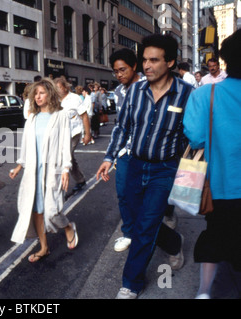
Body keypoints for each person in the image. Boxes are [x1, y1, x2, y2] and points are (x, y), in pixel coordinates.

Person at [96, 34, 194, 299]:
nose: (146, 65)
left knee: (146, 226)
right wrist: (109, 158)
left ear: (170, 61)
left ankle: (131, 283)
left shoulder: (186, 94)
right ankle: (174, 243)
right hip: (136, 165)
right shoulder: (135, 92)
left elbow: (194, 137)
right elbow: (122, 127)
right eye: (144, 60)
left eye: (154, 60)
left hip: (164, 170)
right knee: (139, 220)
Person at [183, 29, 241, 299]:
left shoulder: (205, 95)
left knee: (215, 234)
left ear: (225, 60)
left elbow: (195, 137)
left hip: (219, 185)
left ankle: (205, 292)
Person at [9, 78, 78, 262]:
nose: (38, 97)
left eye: (41, 93)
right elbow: (25, 144)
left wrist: (65, 169)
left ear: (50, 94)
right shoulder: (32, 118)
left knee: (52, 210)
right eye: (35, 94)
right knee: (37, 211)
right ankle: (44, 248)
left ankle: (68, 227)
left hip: (52, 170)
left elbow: (65, 144)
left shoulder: (60, 116)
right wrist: (19, 166)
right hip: (34, 170)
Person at [109, 48, 142, 252]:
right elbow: (120, 124)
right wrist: (112, 154)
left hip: (146, 151)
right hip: (124, 152)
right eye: (116, 71)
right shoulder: (118, 92)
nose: (119, 75)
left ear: (134, 67)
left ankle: (169, 239)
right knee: (123, 194)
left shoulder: (147, 87)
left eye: (123, 70)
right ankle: (128, 232)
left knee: (145, 199)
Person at [54, 77, 91, 192]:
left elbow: (84, 116)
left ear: (65, 87)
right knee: (69, 158)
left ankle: (58, 186)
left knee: (65, 156)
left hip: (74, 133)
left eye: (59, 88)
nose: (57, 90)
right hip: (60, 134)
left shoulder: (75, 99)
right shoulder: (54, 100)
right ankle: (80, 180)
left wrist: (87, 134)